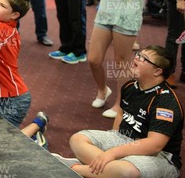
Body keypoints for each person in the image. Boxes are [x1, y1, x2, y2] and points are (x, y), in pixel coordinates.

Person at [56, 45, 182, 178]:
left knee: (126, 171)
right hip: (126, 140)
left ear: (157, 71)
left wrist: (113, 152)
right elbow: (121, 113)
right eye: (138, 54)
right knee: (78, 139)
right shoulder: (129, 86)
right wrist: (114, 138)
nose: (137, 58)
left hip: (161, 156)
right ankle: (108, 172)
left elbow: (154, 145)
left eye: (144, 59)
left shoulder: (165, 102)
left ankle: (76, 169)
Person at [88, 0, 152, 119]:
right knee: (93, 59)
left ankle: (120, 104)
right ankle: (102, 90)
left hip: (126, 16)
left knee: (121, 63)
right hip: (105, 14)